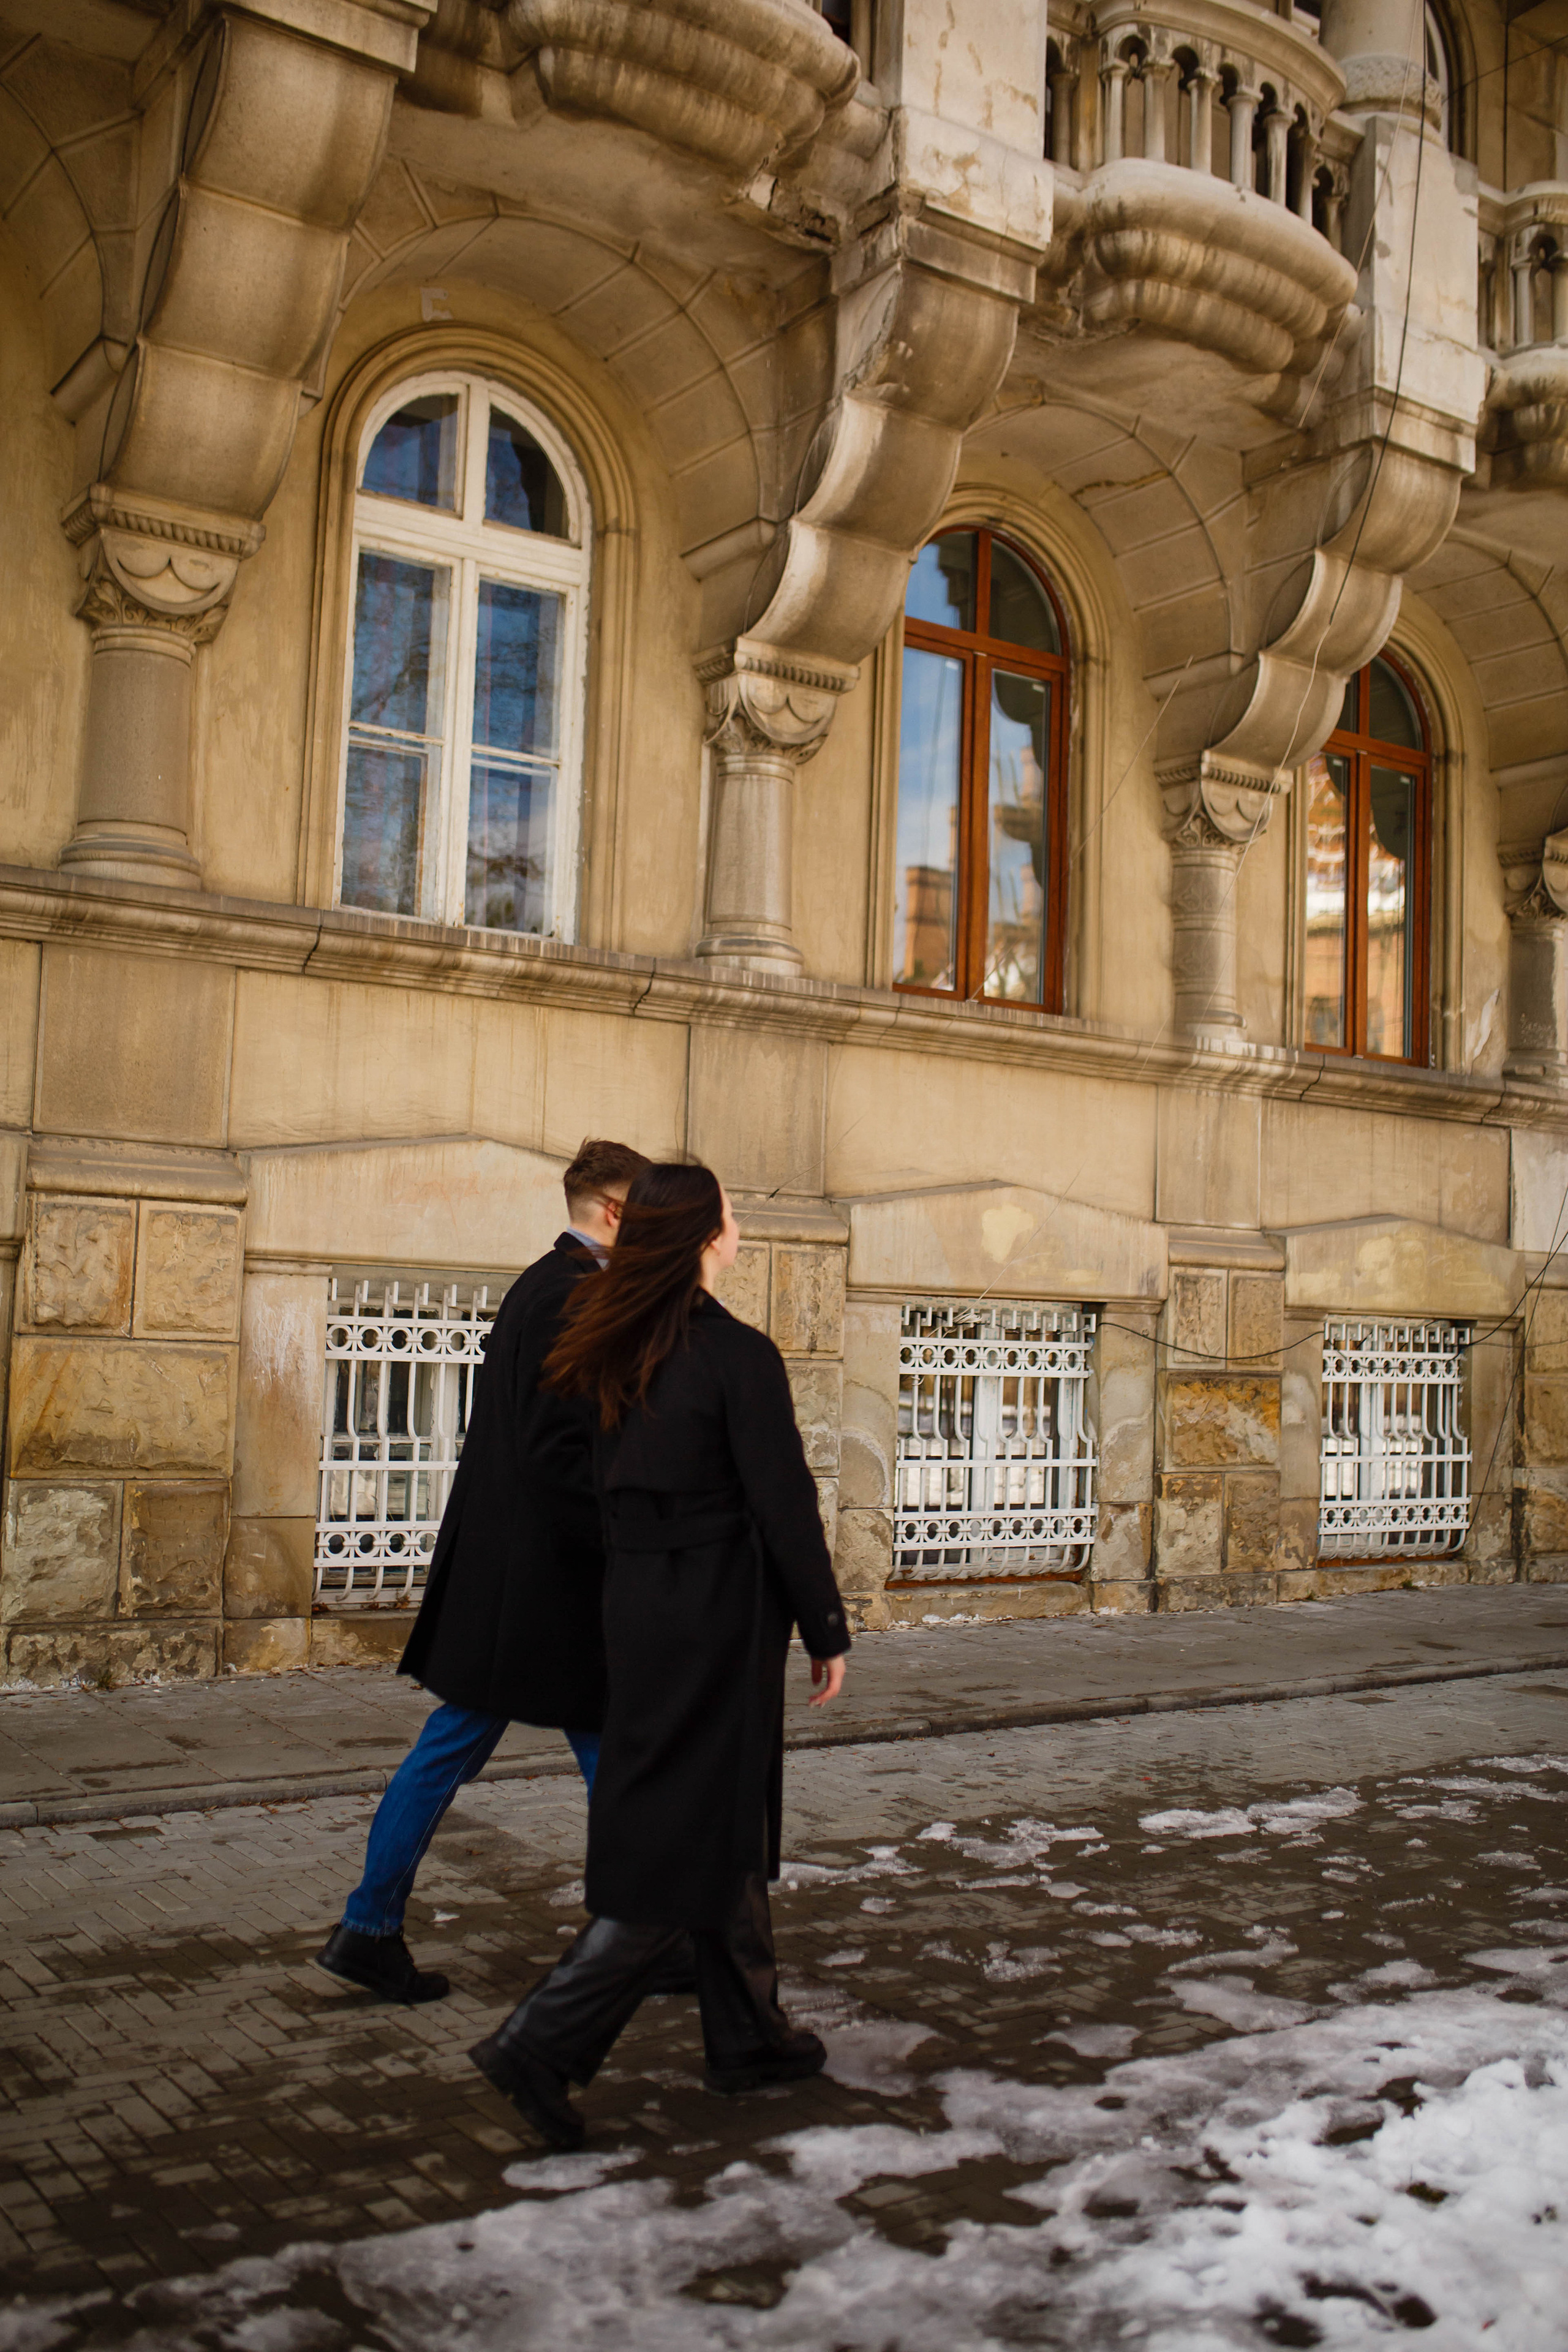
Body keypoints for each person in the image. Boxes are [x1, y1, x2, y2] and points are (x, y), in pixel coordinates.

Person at [467, 1161, 850, 2149]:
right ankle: (541, 2043)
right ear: (703, 1238)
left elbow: (587, 1484)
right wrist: (826, 1626)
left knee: (708, 1821)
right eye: (732, 1216)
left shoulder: (612, 1345)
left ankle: (749, 2036)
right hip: (718, 1618)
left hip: (639, 1611)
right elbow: (784, 1505)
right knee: (684, 1844)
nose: (741, 1229)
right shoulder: (737, 1358)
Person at [316, 1137, 650, 2005]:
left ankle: (369, 1926)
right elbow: (553, 1454)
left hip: (523, 1588)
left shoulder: (550, 1286)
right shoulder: (572, 1295)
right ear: (614, 1210)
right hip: (546, 1590)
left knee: (507, 1752)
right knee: (613, 1762)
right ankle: (649, 1935)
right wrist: (622, 1545)